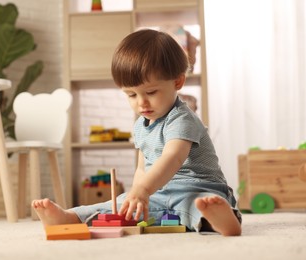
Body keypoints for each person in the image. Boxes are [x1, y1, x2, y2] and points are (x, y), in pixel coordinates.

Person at [32, 29, 242, 236]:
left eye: (151, 92)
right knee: (117, 205)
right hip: (158, 193)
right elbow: (142, 168)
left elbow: (173, 157)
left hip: (196, 188)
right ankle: (71, 217)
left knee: (194, 205)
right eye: (131, 94)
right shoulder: (141, 125)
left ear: (177, 82)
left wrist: (144, 190)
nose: (141, 102)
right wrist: (136, 193)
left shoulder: (182, 119)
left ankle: (220, 219)